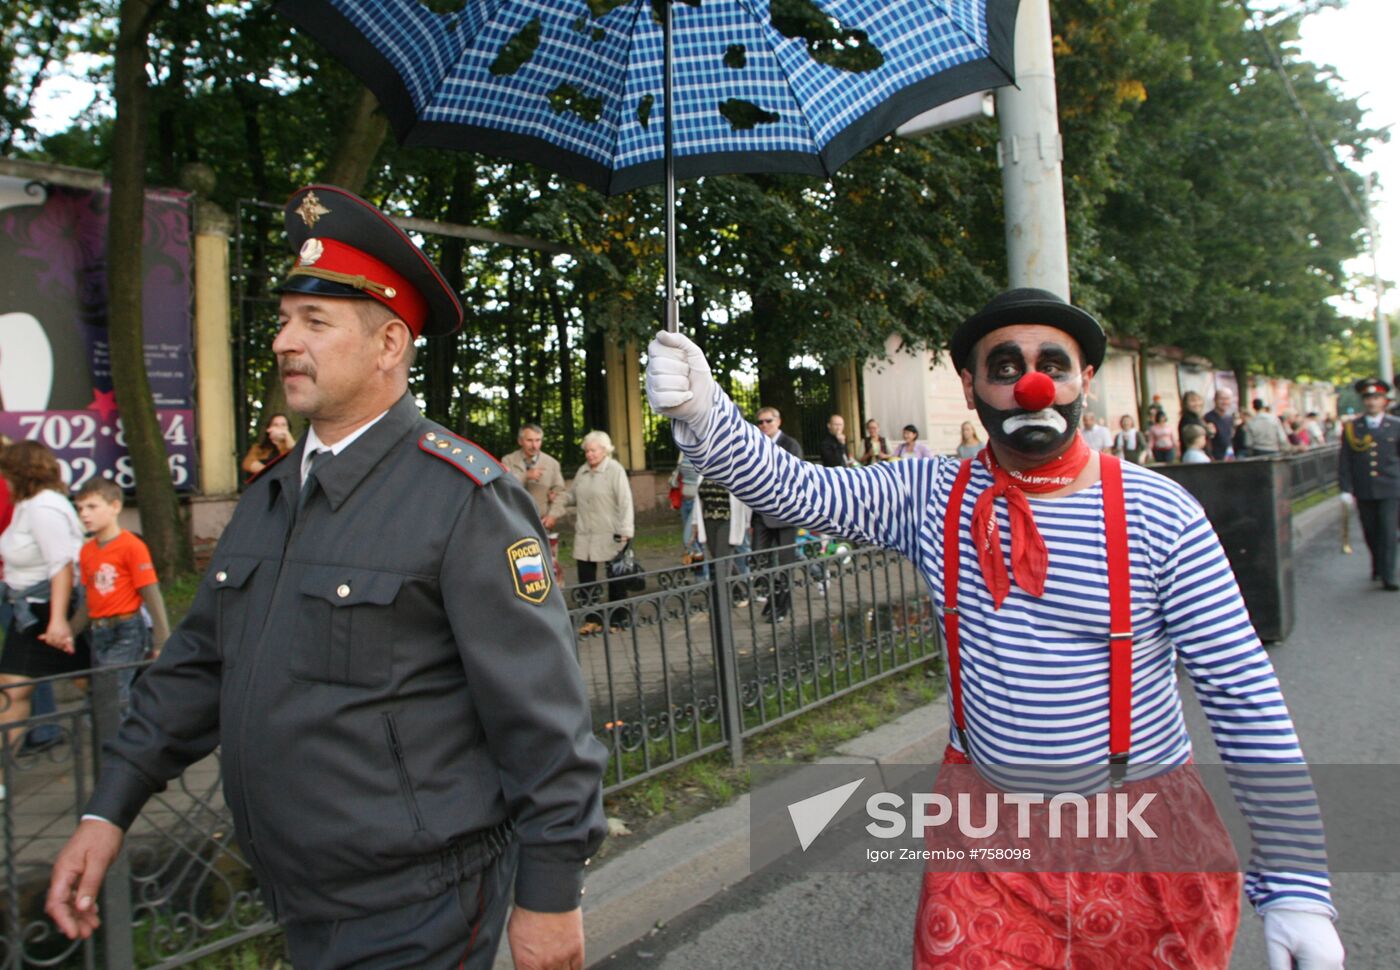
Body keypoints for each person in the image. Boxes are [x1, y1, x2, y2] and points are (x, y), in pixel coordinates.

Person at [645, 286, 1343, 969]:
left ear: (1084, 381)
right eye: (1004, 367)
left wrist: (1298, 887)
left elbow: (1242, 692)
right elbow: (796, 489)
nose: (1032, 386)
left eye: (1053, 365)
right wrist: (706, 413)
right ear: (970, 384)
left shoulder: (1161, 514)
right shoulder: (929, 494)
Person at [46, 185, 606, 970]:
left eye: (315, 322)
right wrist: (110, 808)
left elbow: (544, 722)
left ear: (389, 346)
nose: (284, 342)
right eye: (282, 319)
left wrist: (549, 896)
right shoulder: (273, 494)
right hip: (302, 899)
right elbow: (199, 665)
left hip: (418, 909)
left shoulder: (464, 500)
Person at [0, 441, 89, 765]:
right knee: (13, 689)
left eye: (7, 473)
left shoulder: (43, 508)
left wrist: (57, 620)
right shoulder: (29, 505)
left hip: (50, 609)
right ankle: (2, 775)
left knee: (97, 682)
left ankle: (137, 748)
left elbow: (62, 565)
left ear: (20, 473)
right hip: (32, 611)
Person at [71, 478, 171, 710]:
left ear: (115, 507)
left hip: (126, 628)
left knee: (112, 693)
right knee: (107, 691)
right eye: (80, 508)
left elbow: (150, 593)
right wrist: (71, 630)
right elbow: (90, 597)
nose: (84, 514)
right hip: (98, 631)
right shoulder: (87, 551)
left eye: (92, 507)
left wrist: (161, 639)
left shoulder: (131, 546)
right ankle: (124, 737)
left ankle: (118, 742)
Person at [567, 429, 634, 635]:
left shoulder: (615, 470)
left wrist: (625, 529)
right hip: (586, 533)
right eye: (587, 451)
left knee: (615, 577)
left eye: (594, 451)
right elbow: (572, 496)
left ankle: (618, 617)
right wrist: (558, 496)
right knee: (586, 577)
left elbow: (625, 501)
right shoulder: (582, 471)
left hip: (610, 530)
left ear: (605, 451)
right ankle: (592, 619)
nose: (590, 455)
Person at [1338, 377, 1400, 591]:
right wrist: (1345, 489)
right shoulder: (1353, 428)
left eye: (1376, 397)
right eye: (1368, 398)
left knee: (1388, 530)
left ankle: (1389, 575)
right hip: (1364, 488)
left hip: (1391, 487)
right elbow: (1345, 459)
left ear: (1384, 400)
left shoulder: (1396, 426)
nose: (1372, 402)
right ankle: (1378, 563)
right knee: (1371, 531)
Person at [501, 423, 569, 583]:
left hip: (542, 524)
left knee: (548, 568)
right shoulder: (508, 461)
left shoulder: (551, 463)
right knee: (521, 569)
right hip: (516, 523)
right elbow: (502, 487)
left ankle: (552, 601)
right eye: (529, 440)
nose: (534, 445)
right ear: (520, 441)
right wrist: (525, 476)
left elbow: (560, 492)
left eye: (538, 440)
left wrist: (553, 515)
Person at [753, 407, 803, 621]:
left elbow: (795, 477)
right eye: (760, 422)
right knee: (758, 558)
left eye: (768, 421)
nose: (764, 425)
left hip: (784, 513)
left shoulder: (790, 445)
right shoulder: (755, 445)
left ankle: (782, 607)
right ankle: (773, 599)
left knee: (784, 563)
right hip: (761, 512)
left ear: (778, 422)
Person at [239, 412, 296, 476]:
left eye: (283, 425)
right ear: (269, 429)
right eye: (275, 425)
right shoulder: (258, 448)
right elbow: (247, 464)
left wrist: (286, 435)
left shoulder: (291, 445)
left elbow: (295, 458)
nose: (280, 428)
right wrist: (267, 471)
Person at [1203, 388, 1237, 461]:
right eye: (1221, 399)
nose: (1224, 402)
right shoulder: (1208, 418)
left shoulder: (1230, 418)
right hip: (1216, 458)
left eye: (1227, 399)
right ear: (1215, 400)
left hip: (1229, 455)